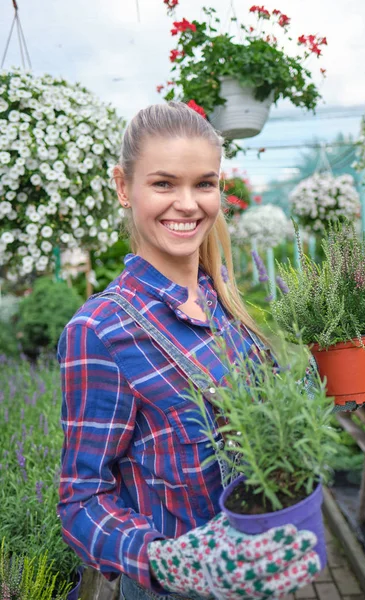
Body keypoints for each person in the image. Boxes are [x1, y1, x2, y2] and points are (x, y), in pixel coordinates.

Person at [57, 102, 321, 600]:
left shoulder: (222, 300)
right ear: (122, 187)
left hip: (256, 577)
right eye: (163, 184)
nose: (188, 203)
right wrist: (170, 561)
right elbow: (80, 498)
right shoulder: (101, 330)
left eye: (204, 183)